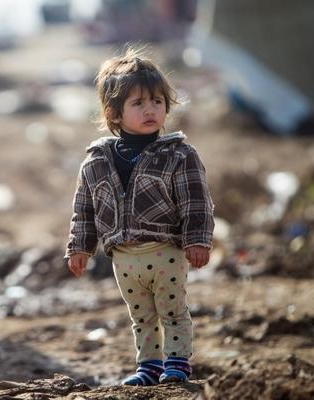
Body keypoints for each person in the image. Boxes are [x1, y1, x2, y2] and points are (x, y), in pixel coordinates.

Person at [65, 48, 214, 385]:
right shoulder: (96, 160)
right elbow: (84, 209)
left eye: (157, 102)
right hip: (123, 258)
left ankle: (176, 364)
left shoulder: (179, 155)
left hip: (166, 252)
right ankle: (148, 367)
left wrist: (198, 240)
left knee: (173, 311)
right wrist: (80, 248)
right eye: (138, 103)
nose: (150, 110)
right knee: (141, 316)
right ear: (113, 113)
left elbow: (196, 202)